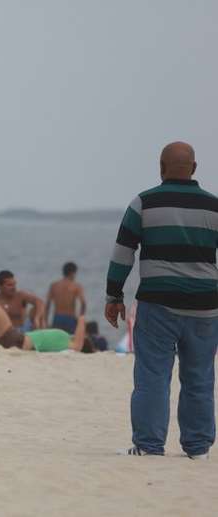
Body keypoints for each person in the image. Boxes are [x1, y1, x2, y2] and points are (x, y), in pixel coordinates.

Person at [106, 141, 218, 460]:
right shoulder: (214, 206)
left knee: (152, 374)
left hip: (158, 305)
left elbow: (122, 253)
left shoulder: (144, 203)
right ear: (194, 169)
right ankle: (198, 447)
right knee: (199, 375)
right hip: (206, 307)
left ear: (161, 166)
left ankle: (149, 445)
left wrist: (114, 295)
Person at [0, 297, 88, 353]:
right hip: (16, 338)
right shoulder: (62, 339)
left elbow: (79, 344)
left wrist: (81, 318)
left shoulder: (69, 343)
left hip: (17, 339)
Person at [46, 262, 86, 333]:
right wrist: (81, 320)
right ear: (72, 273)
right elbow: (83, 303)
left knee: (57, 341)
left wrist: (45, 319)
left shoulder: (54, 285)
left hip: (57, 317)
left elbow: (48, 304)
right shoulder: (76, 286)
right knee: (70, 341)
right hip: (70, 318)